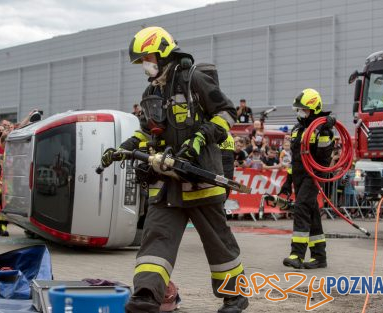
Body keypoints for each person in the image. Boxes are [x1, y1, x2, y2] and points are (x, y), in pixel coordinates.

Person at [101, 26, 248, 313]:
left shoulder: (194, 80)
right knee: (156, 236)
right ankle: (146, 294)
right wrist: (124, 146)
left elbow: (227, 112)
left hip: (201, 179)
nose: (145, 64)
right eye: (141, 60)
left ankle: (235, 297)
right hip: (168, 183)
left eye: (148, 57)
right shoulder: (150, 91)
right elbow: (148, 132)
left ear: (163, 52)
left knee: (219, 243)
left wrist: (201, 137)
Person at [279, 88, 335, 270]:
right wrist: (286, 185)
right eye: (299, 109)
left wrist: (325, 128)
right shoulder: (297, 129)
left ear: (314, 109)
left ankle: (297, 254)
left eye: (304, 109)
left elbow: (323, 158)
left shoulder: (322, 130)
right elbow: (294, 160)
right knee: (311, 213)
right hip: (298, 176)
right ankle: (320, 257)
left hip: (314, 175)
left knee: (302, 207)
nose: (301, 112)